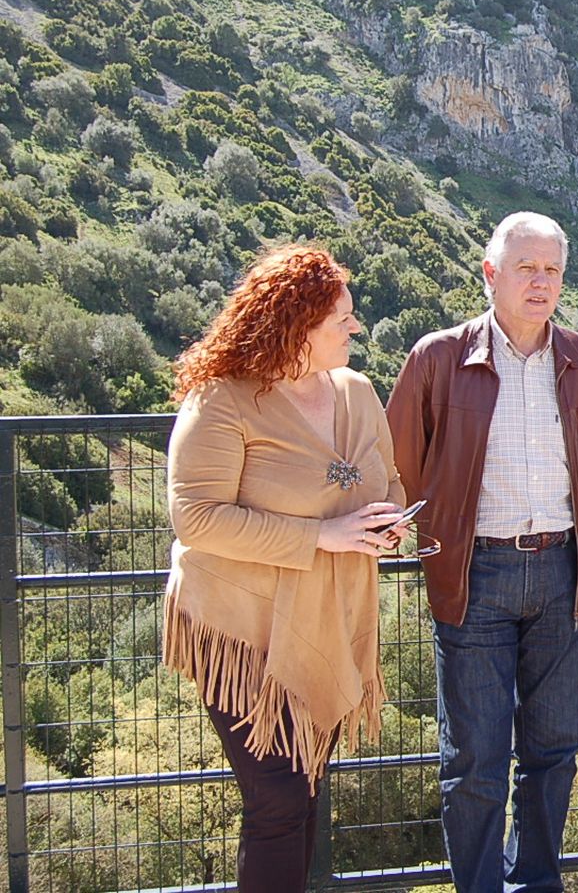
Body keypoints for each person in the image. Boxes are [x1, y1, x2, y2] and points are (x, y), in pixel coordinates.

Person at [386, 212, 578, 893]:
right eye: (526, 268)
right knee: (475, 760)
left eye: (551, 270)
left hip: (564, 571)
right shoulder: (438, 358)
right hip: (472, 574)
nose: (540, 282)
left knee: (553, 753)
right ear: (491, 274)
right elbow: (396, 459)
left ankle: (536, 883)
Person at [164, 246, 406, 892]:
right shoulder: (223, 399)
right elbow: (197, 518)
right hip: (242, 631)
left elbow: (391, 480)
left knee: (302, 791)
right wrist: (321, 535)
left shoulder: (357, 391)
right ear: (294, 325)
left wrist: (392, 523)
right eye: (342, 320)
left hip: (327, 623)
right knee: (276, 798)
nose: (356, 329)